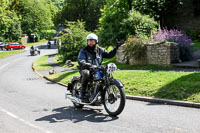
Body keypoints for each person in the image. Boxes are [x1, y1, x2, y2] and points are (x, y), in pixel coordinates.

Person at [78, 33, 124, 102]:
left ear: (96, 41)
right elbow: (81, 60)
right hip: (86, 68)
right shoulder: (83, 50)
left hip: (97, 68)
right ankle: (82, 94)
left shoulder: (100, 50)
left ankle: (99, 92)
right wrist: (88, 64)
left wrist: (116, 48)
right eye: (89, 41)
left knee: (105, 74)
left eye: (92, 41)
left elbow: (109, 55)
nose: (90, 42)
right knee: (86, 74)